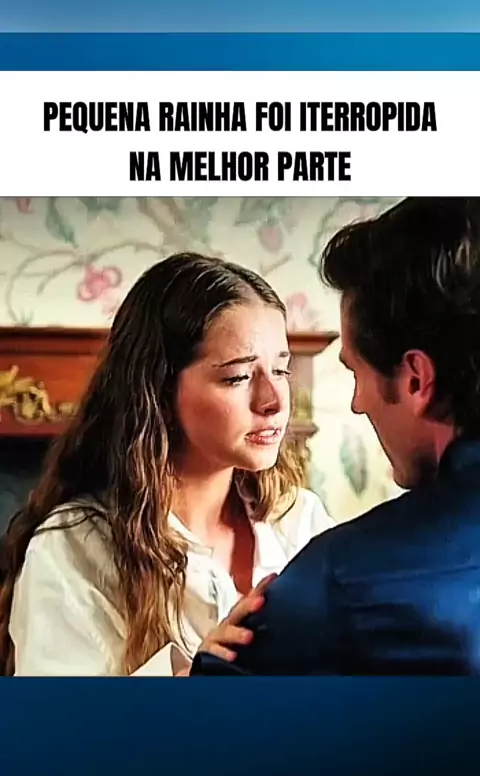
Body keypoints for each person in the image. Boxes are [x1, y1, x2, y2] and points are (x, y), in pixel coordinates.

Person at [0, 252, 333, 676]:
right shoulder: (76, 548)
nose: (274, 401)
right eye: (237, 377)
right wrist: (185, 685)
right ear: (158, 390)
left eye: (282, 371)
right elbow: (58, 716)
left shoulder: (300, 520)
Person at [191, 197, 480, 677]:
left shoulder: (337, 578)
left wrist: (200, 675)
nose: (357, 403)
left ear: (415, 379)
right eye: (238, 376)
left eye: (355, 372)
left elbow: (204, 719)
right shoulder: (76, 546)